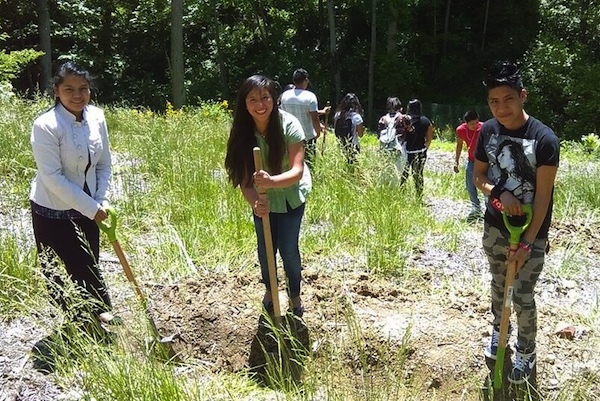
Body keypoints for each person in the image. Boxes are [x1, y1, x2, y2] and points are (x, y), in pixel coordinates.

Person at [474, 60, 559, 384]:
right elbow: (479, 176)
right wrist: (500, 194)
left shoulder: (544, 140)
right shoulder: (487, 131)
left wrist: (527, 242)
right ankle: (500, 333)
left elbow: (543, 197)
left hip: (531, 234)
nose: (501, 108)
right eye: (494, 101)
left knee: (522, 296)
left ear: (523, 95)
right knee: (498, 287)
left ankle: (526, 349)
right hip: (496, 227)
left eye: (508, 99)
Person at [30, 61, 116, 327]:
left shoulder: (97, 117)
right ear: (57, 91)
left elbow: (104, 163)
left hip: (91, 201)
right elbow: (52, 177)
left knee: (88, 259)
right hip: (52, 207)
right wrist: (90, 208)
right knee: (59, 266)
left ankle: (99, 311)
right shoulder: (46, 125)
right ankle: (75, 322)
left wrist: (101, 200)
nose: (77, 95)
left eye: (83, 89)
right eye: (69, 89)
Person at [225, 75, 311, 317]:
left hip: (292, 196)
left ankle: (294, 294)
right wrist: (255, 203)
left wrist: (271, 182)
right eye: (252, 99)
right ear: (244, 104)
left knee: (288, 249)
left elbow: (296, 171)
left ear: (274, 98)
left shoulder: (289, 125)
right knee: (265, 250)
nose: (260, 104)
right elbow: (244, 181)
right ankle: (270, 290)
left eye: (264, 97)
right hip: (264, 202)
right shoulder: (243, 133)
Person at [279, 69, 330, 165]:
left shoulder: (285, 96)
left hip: (290, 135)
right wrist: (317, 132)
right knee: (309, 163)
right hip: (307, 135)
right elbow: (314, 117)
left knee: (291, 162)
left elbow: (283, 115)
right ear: (306, 80)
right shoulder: (310, 97)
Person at [399, 99, 433, 199]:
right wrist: (425, 147)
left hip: (406, 151)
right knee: (418, 175)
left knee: (403, 174)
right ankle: (419, 196)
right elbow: (429, 137)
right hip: (420, 151)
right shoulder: (425, 121)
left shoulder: (405, 120)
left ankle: (401, 194)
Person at [454, 110, 484, 220]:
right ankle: (475, 207)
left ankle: (490, 207)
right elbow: (459, 145)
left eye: (477, 123)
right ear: (466, 123)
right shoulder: (461, 130)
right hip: (471, 160)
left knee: (486, 184)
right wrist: (456, 161)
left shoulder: (484, 128)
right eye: (472, 124)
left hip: (485, 161)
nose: (475, 126)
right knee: (470, 185)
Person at [377, 97, 411, 180]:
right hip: (399, 148)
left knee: (386, 173)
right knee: (398, 174)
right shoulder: (404, 118)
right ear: (400, 107)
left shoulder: (383, 119)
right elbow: (411, 132)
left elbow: (378, 135)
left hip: (385, 148)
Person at [333, 92, 364, 165]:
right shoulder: (356, 117)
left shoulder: (338, 115)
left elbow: (335, 130)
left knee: (342, 165)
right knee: (354, 167)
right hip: (353, 146)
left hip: (341, 145)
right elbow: (360, 135)